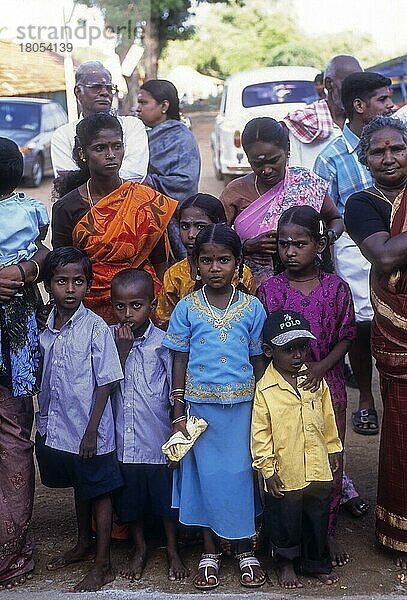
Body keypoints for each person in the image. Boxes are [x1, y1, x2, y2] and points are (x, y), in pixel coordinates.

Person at [162, 224, 267, 590]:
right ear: (194, 265)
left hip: (242, 410)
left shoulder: (252, 307)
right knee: (205, 479)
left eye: (224, 260)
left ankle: (243, 549)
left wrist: (263, 409)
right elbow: (179, 359)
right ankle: (209, 550)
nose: (215, 268)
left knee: (240, 476)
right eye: (206, 261)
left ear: (238, 264)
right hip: (199, 412)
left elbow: (258, 362)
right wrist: (178, 413)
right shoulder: (187, 308)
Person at [257, 206, 356, 567]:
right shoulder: (268, 290)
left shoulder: (336, 288)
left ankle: (325, 532)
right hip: (281, 391)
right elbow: (263, 344)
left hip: (326, 384)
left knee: (327, 460)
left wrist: (321, 366)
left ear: (319, 244)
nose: (290, 252)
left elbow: (345, 336)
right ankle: (287, 539)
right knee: (286, 461)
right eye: (283, 244)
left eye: (299, 244)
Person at [35, 247, 124, 592]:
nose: (70, 289)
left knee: (100, 491)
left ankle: (103, 564)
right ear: (49, 285)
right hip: (58, 426)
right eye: (61, 282)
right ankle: (82, 543)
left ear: (88, 285)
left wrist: (91, 431)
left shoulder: (95, 327)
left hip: (90, 428)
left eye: (78, 282)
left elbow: (106, 381)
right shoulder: (45, 324)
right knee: (80, 485)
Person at [314, 72, 395, 437]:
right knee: (362, 324)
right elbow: (327, 219)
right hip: (356, 248)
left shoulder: (400, 140)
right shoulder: (330, 158)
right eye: (382, 99)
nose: (390, 104)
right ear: (359, 107)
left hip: (400, 239)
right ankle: (366, 397)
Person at [344, 115, 407, 569]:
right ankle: (398, 529)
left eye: (397, 149)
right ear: (365, 160)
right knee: (403, 429)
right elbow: (384, 256)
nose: (388, 158)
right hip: (397, 331)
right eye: (378, 152)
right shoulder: (361, 203)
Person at [52, 112, 177, 324]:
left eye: (117, 146)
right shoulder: (67, 207)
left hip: (140, 303)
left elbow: (160, 263)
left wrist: (164, 308)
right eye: (100, 148)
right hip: (88, 309)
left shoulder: (146, 200)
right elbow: (62, 267)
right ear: (83, 153)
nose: (111, 154)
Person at [251, 310, 342, 588]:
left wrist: (333, 447)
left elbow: (327, 415)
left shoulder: (314, 379)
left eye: (302, 347)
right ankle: (286, 563)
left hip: (317, 465)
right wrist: (268, 470)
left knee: (317, 514)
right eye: (288, 350)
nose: (298, 355)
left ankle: (316, 562)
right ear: (269, 351)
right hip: (286, 471)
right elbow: (260, 434)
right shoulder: (266, 390)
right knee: (285, 520)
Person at [110, 268, 188, 582]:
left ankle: (172, 549)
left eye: (136, 306)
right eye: (120, 307)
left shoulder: (163, 344)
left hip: (157, 438)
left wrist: (176, 425)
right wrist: (123, 352)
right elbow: (105, 382)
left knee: (166, 502)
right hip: (125, 441)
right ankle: (140, 548)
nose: (127, 314)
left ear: (152, 305)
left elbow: (174, 388)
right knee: (131, 504)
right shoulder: (110, 339)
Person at [0, 138, 49, 589]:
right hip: (18, 332)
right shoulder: (31, 211)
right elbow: (44, 252)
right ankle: (11, 554)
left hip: (14, 329)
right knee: (15, 440)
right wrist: (25, 270)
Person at [219, 117, 343, 286]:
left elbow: (335, 219)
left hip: (308, 285)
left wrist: (325, 239)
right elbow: (214, 239)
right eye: (257, 164)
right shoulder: (236, 192)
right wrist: (247, 246)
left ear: (287, 150)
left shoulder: (306, 181)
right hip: (253, 289)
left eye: (273, 160)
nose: (266, 170)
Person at [155, 193, 255, 328]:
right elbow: (164, 322)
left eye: (200, 226)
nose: (191, 235)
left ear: (219, 227)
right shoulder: (175, 275)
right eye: (185, 226)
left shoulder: (241, 274)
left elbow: (252, 318)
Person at [136, 79, 201, 260]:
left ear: (164, 105)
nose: (137, 108)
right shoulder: (140, 138)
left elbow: (185, 183)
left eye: (143, 103)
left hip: (174, 222)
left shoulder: (181, 138)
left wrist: (146, 182)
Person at [51, 61, 148, 182]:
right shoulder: (63, 135)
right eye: (96, 87)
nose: (104, 93)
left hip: (127, 200)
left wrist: (94, 186)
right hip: (83, 201)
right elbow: (68, 180)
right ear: (78, 92)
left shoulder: (132, 126)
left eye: (109, 88)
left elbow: (134, 174)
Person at [283, 55, 363, 169]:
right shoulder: (303, 123)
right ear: (329, 84)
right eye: (350, 83)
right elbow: (294, 176)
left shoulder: (363, 120)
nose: (356, 90)